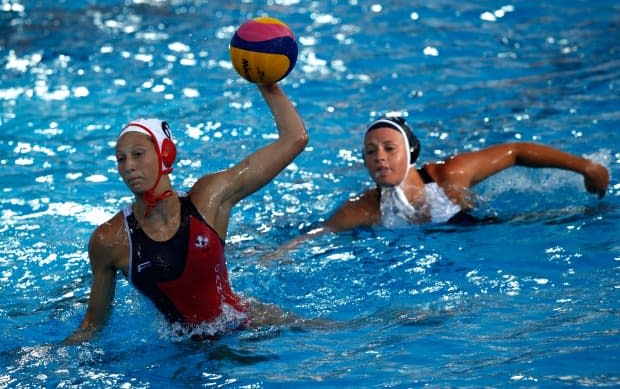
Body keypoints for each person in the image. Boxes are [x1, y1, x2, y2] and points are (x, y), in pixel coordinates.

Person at [64, 83, 308, 343]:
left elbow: (295, 139)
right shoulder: (111, 240)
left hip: (247, 324)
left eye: (137, 154)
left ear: (165, 154)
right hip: (185, 351)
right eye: (121, 159)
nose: (129, 166)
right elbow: (92, 326)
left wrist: (265, 82)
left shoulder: (208, 200)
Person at [282, 116, 609, 246]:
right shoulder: (366, 207)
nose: (379, 156)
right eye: (370, 152)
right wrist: (276, 253)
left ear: (409, 153)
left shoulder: (449, 175)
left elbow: (515, 152)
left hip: (486, 236)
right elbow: (320, 232)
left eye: (389, 148)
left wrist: (586, 167)